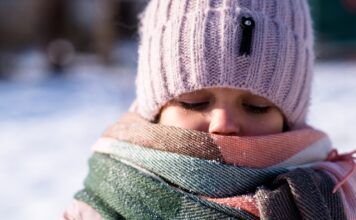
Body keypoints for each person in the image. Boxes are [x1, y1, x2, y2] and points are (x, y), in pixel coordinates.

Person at [62, 0, 356, 219]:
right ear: (155, 110)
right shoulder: (97, 209)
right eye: (194, 102)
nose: (223, 123)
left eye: (257, 106)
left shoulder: (335, 198)